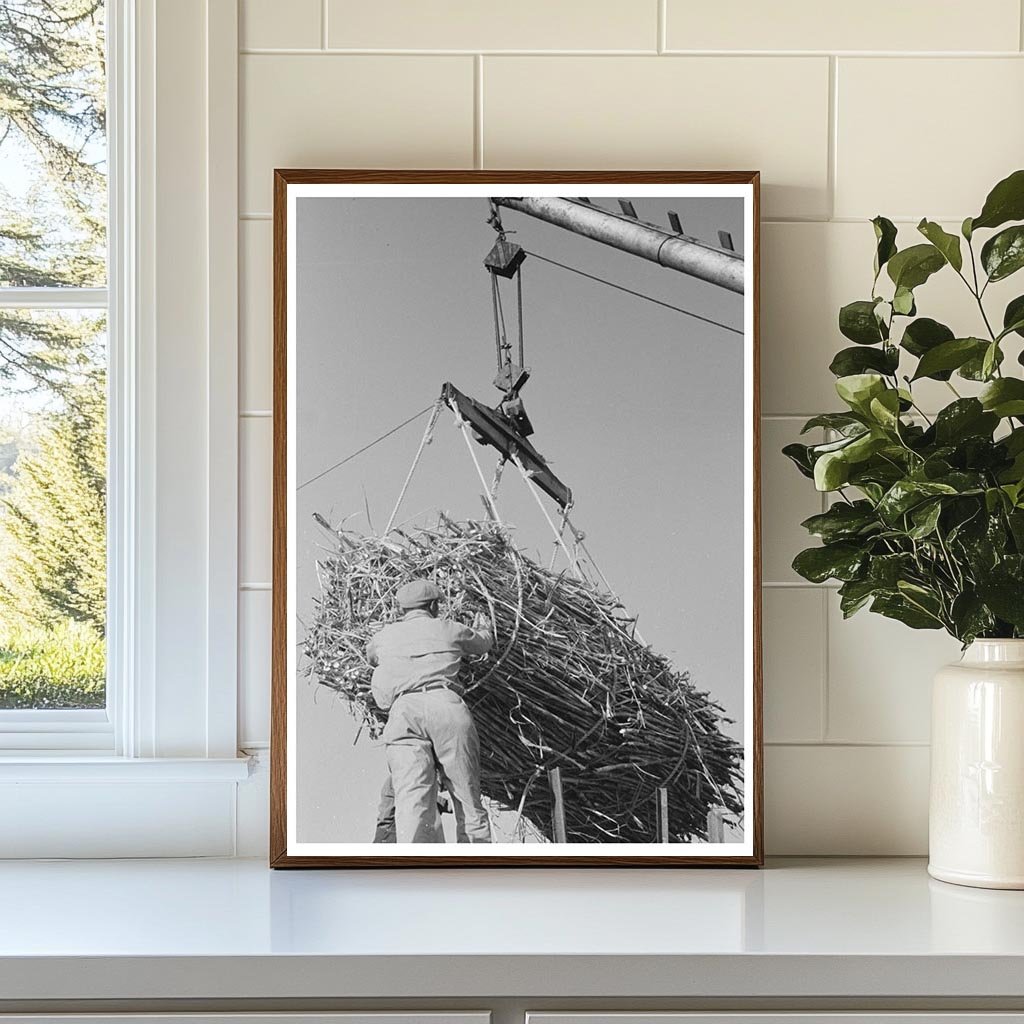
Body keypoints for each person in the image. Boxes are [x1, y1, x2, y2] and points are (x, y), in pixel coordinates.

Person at [367, 579, 494, 843]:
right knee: (467, 799)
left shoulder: (383, 637)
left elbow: (372, 655)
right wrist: (484, 624)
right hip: (445, 708)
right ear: (434, 605)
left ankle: (418, 867)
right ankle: (475, 867)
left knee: (413, 802)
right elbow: (483, 643)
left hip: (403, 713)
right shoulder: (449, 629)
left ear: (402, 609)